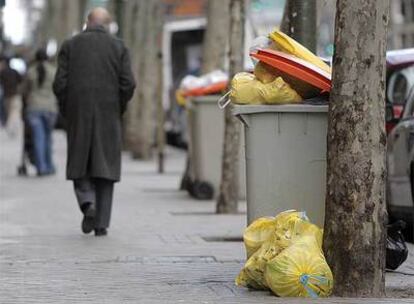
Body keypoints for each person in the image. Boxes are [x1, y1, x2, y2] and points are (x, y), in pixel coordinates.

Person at [53, 7, 136, 236]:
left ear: (87, 21)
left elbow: (59, 83)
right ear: (107, 24)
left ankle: (88, 203)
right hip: (109, 113)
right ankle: (101, 224)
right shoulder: (119, 46)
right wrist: (118, 106)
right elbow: (128, 83)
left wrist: (67, 108)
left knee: (80, 163)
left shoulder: (70, 45)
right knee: (105, 168)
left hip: (78, 113)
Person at [24, 49, 58, 176]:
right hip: (50, 108)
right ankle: (50, 165)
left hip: (34, 108)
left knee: (39, 138)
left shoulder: (30, 72)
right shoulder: (53, 71)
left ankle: (41, 167)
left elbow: (24, 90)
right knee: (48, 138)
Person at [0, 56, 23, 136]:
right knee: (14, 113)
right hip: (15, 94)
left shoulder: (2, 72)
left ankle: (10, 127)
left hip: (6, 95)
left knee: (9, 112)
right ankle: (12, 127)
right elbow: (21, 81)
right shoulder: (14, 71)